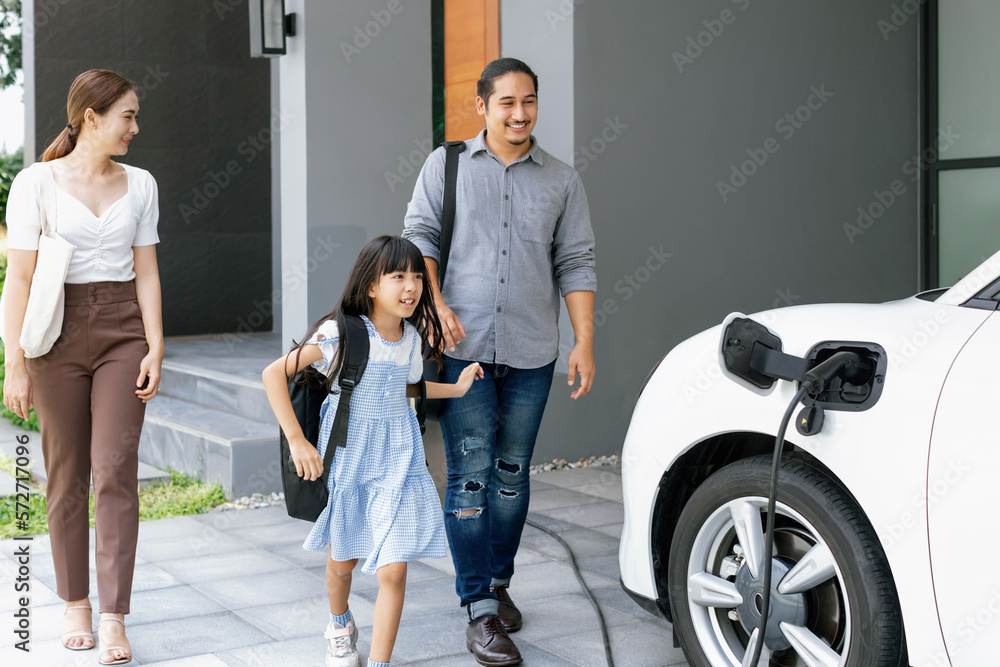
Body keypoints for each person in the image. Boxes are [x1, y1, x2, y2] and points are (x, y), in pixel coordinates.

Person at [403, 58, 597, 665]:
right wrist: (434, 305)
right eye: (507, 102)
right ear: (481, 105)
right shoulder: (447, 165)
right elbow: (419, 240)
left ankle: (497, 581)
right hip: (462, 354)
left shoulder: (562, 181)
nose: (520, 113)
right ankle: (479, 611)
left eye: (529, 101)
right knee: (469, 477)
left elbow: (577, 263)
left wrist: (584, 340)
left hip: (533, 350)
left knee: (512, 476)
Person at [2, 69, 163, 666]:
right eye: (127, 115)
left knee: (115, 467)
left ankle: (115, 615)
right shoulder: (35, 183)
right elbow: (18, 279)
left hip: (123, 328)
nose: (135, 127)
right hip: (54, 334)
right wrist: (13, 361)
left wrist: (156, 343)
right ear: (91, 117)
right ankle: (75, 603)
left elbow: (146, 270)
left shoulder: (141, 184)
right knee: (66, 472)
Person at [262, 235, 483, 667]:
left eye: (418, 276)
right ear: (370, 285)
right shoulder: (341, 334)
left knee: (394, 569)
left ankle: (380, 664)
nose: (412, 286)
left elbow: (405, 385)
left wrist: (455, 388)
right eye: (398, 275)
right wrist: (297, 440)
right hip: (349, 456)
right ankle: (339, 624)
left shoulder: (411, 336)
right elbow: (273, 375)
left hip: (398, 455)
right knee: (342, 564)